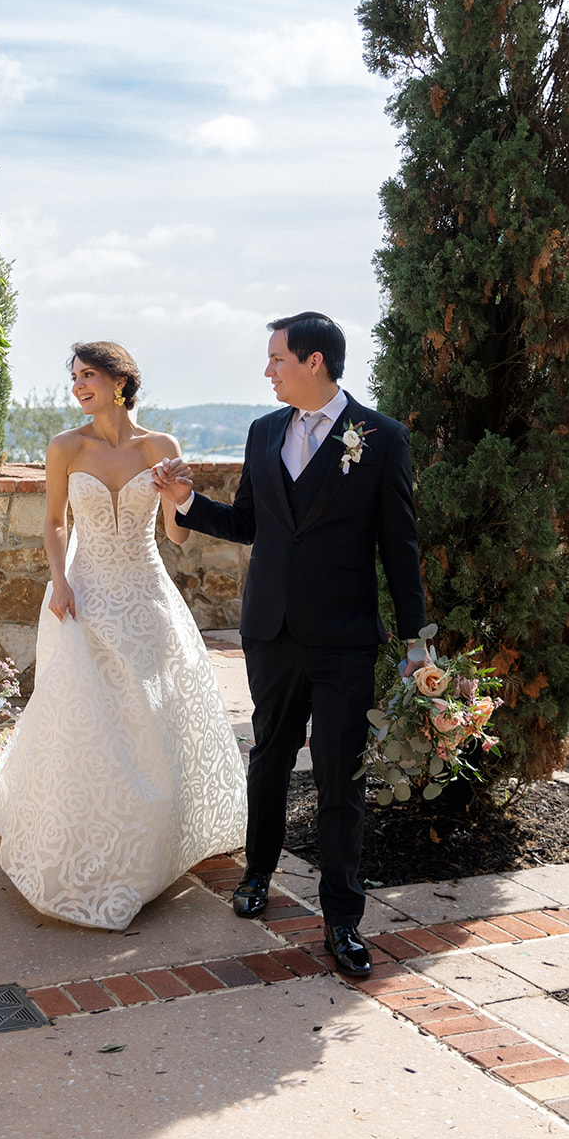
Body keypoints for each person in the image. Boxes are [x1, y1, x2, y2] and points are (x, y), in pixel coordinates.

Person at [152, 312, 427, 977]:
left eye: (275, 359)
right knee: (269, 758)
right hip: (270, 630)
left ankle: (341, 917)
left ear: (312, 362)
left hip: (344, 639)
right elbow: (250, 522)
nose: (266, 370)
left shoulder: (380, 438)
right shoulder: (263, 430)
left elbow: (399, 546)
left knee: (340, 776)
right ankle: (258, 875)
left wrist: (418, 641)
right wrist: (187, 502)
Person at [0, 340, 247, 930]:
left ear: (120, 382)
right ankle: (76, 839)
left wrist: (179, 497)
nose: (78, 386)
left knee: (151, 714)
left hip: (146, 594)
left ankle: (154, 838)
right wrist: (59, 582)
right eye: (74, 376)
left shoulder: (161, 447)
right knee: (85, 714)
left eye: (89, 376)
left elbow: (176, 538)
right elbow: (54, 523)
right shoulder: (64, 447)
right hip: (84, 592)